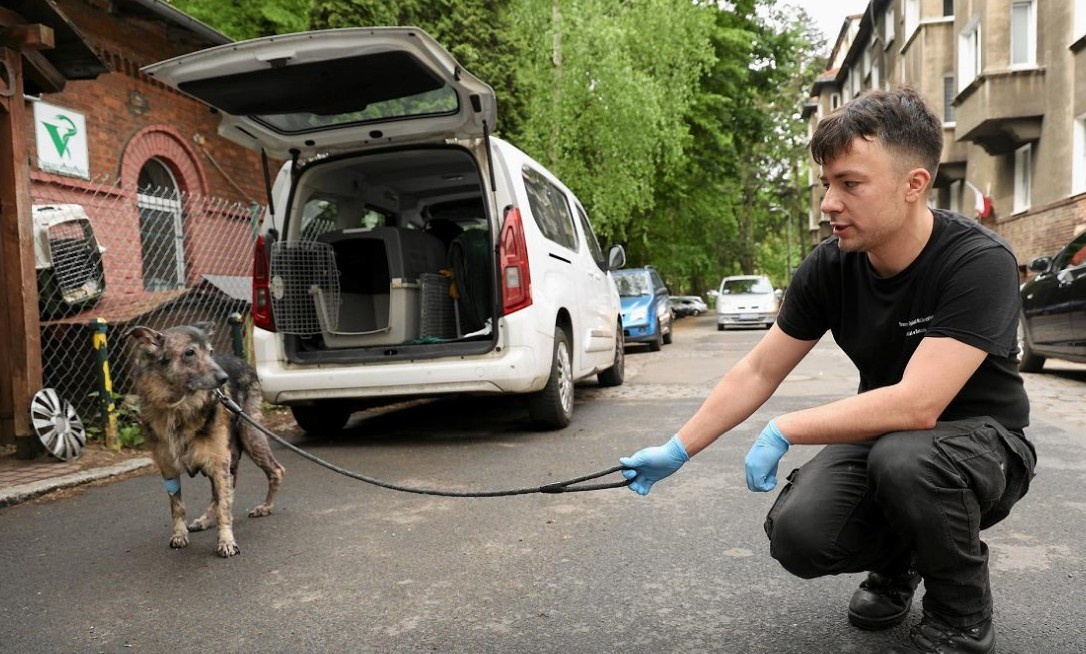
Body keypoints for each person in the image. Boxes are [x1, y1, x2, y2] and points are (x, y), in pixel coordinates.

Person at [619, 86, 1036, 654]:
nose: (829, 204)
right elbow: (759, 370)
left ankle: (961, 616)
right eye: (827, 185)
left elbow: (919, 405)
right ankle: (903, 562)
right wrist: (677, 449)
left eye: (850, 184)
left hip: (985, 446)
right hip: (889, 436)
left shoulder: (978, 261)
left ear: (914, 184)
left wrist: (785, 428)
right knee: (800, 533)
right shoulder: (833, 266)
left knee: (906, 458)